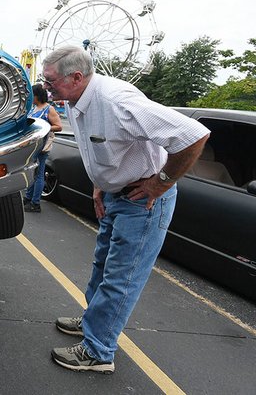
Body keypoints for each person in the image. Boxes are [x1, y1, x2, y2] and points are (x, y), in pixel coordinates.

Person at [41, 45, 209, 374]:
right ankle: (94, 322)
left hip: (141, 201)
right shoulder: (76, 100)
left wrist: (160, 183)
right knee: (103, 267)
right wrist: (100, 184)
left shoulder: (117, 101)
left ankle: (98, 350)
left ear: (76, 77)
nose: (46, 89)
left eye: (50, 82)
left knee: (122, 277)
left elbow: (193, 136)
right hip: (116, 194)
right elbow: (102, 146)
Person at [23, 83, 62, 212]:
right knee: (31, 172)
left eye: (32, 95)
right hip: (32, 146)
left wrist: (43, 127)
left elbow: (58, 126)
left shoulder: (48, 109)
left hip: (42, 146)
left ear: (37, 96)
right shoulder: (34, 108)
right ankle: (28, 198)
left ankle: (35, 202)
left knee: (39, 174)